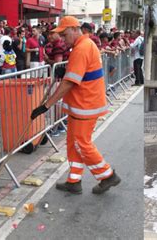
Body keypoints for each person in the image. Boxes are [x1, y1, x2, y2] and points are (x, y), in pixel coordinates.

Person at [31, 16, 121, 195]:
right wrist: (66, 70)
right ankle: (74, 180)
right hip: (82, 104)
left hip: (85, 105)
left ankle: (107, 175)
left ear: (74, 29)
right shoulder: (84, 46)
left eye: (64, 35)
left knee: (81, 144)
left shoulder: (81, 48)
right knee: (73, 143)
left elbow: (69, 83)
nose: (62, 40)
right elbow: (79, 73)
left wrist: (46, 106)